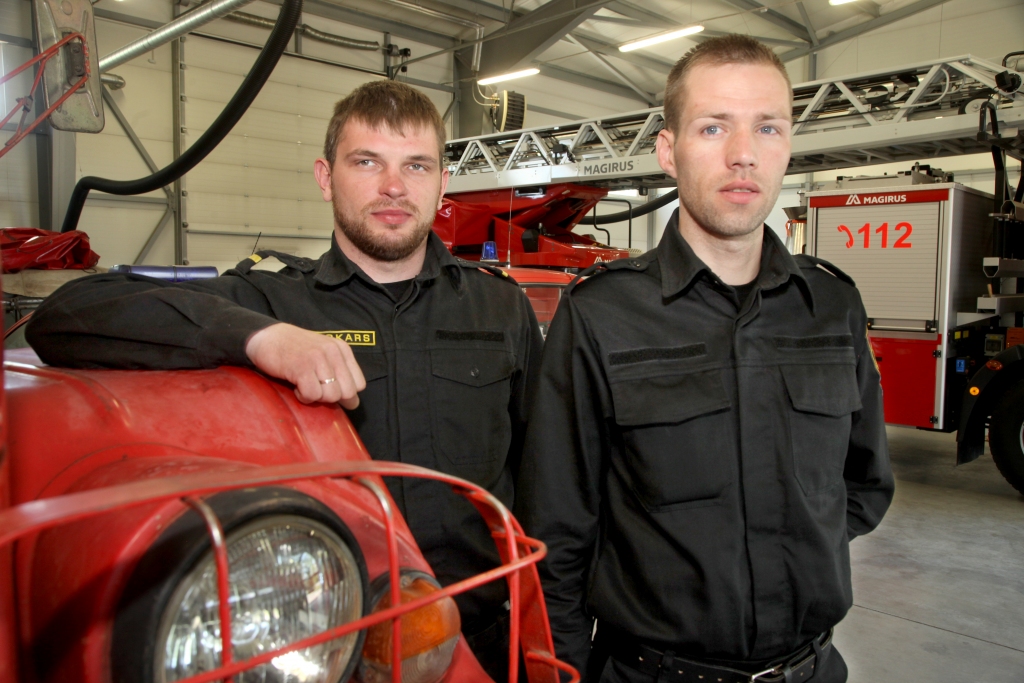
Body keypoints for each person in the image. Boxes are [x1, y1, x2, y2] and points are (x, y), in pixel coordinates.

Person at [26, 80, 542, 681]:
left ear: (442, 182)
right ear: (325, 177)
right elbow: (68, 314)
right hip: (323, 648)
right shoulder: (270, 299)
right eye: (367, 161)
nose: (394, 187)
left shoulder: (500, 309)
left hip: (482, 639)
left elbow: (544, 479)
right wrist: (259, 337)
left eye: (416, 165)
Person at [515, 35, 894, 683]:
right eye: (713, 126)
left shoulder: (831, 304)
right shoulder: (602, 314)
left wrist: (788, 544)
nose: (743, 154)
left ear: (787, 145)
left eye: (767, 127)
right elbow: (555, 533)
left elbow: (862, 486)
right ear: (669, 151)